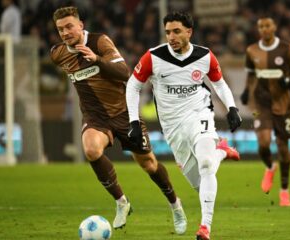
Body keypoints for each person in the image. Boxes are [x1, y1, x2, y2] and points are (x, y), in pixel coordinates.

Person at [50, 6, 187, 234]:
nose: (65, 32)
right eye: (60, 29)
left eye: (69, 26)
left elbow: (125, 72)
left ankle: (175, 204)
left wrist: (96, 60)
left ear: (81, 25)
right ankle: (122, 202)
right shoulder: (58, 54)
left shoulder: (100, 42)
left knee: (149, 164)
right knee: (91, 150)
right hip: (95, 117)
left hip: (124, 113)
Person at [126, 12, 242, 240]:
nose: (171, 36)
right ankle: (221, 153)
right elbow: (133, 87)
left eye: (177, 31)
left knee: (206, 165)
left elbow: (220, 84)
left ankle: (205, 228)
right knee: (199, 184)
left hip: (199, 112)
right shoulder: (153, 57)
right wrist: (133, 121)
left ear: (189, 32)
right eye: (168, 32)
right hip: (171, 126)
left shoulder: (205, 56)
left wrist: (232, 107)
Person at [240, 17, 290, 207]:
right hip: (261, 104)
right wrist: (246, 90)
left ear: (274, 27)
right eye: (261, 26)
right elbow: (251, 74)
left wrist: (289, 80)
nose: (264, 29)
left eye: (268, 25)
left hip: (283, 104)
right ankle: (270, 167)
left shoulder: (287, 49)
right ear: (258, 29)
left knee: (283, 148)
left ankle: (284, 190)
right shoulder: (251, 50)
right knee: (263, 143)